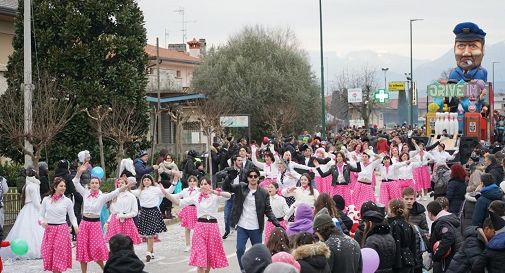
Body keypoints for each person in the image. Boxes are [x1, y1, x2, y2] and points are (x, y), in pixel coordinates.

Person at [73, 163, 134, 273]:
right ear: (90, 184)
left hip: (95, 225)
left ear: (99, 185)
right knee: (83, 250)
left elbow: (115, 192)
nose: (94, 185)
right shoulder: (85, 193)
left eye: (96, 183)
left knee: (97, 250)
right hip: (84, 224)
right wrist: (79, 172)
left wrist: (126, 185)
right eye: (92, 183)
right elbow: (75, 182)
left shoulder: (102, 197)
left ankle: (106, 270)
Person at [162, 176, 231, 273]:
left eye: (205, 184)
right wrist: (165, 193)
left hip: (213, 227)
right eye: (202, 184)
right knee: (200, 258)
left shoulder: (215, 197)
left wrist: (213, 191)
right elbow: (179, 202)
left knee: (209, 257)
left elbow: (228, 196)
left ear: (210, 185)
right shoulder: (196, 197)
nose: (203, 186)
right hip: (200, 226)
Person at [222, 167, 281, 271]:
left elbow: (268, 210)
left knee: (259, 252)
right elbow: (227, 188)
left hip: (256, 227)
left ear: (258, 178)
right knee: (240, 250)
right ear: (247, 178)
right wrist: (229, 177)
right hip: (242, 226)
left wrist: (276, 222)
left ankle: (258, 270)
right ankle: (243, 269)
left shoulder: (264, 193)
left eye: (255, 176)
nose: (253, 178)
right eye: (250, 176)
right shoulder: (241, 187)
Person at [0, 168, 44, 259]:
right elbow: (36, 202)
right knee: (36, 229)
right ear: (35, 175)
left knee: (26, 229)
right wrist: (42, 210)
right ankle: (38, 249)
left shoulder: (27, 185)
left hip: (27, 208)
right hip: (33, 208)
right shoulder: (34, 186)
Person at [39, 177, 79, 273]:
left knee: (58, 255)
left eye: (64, 186)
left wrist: (75, 225)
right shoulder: (46, 200)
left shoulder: (67, 201)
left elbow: (72, 217)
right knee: (50, 256)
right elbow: (40, 216)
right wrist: (42, 222)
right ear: (55, 187)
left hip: (61, 230)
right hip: (49, 230)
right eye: (61, 186)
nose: (63, 188)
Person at [131, 174, 168, 262]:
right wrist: (127, 185)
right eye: (144, 180)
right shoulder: (139, 191)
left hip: (153, 212)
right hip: (144, 212)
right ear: (142, 182)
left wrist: (174, 182)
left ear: (151, 181)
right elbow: (129, 192)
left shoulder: (156, 189)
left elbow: (167, 192)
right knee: (147, 234)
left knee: (151, 234)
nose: (146, 181)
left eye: (148, 180)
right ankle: (151, 251)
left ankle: (148, 252)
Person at [427, 201, 463, 273]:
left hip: (449, 259)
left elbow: (448, 236)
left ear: (430, 213)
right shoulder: (450, 218)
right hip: (457, 256)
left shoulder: (442, 222)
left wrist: (437, 255)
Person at [167, 175, 200, 252]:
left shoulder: (199, 190)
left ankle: (197, 244)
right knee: (187, 228)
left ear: (196, 182)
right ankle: (188, 245)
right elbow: (177, 196)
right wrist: (166, 194)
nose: (192, 182)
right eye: (190, 181)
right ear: (188, 182)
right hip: (187, 210)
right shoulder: (185, 190)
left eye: (194, 181)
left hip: (196, 210)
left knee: (197, 228)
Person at [105, 177, 141, 245]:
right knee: (115, 243)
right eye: (119, 183)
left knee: (127, 243)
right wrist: (108, 221)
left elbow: (135, 212)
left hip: (127, 222)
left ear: (126, 184)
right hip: (115, 222)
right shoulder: (114, 196)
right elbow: (113, 212)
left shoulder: (131, 196)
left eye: (122, 183)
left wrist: (124, 216)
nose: (120, 184)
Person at [387, 199, 416, 273]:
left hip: (400, 263)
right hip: (409, 259)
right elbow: (413, 245)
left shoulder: (394, 225)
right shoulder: (408, 224)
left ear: (390, 210)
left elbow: (396, 245)